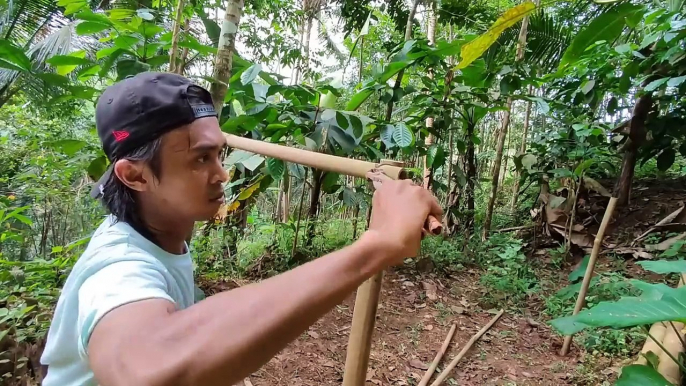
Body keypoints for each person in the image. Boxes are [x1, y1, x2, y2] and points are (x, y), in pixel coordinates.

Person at [40, 72, 442, 386]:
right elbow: (147, 369)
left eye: (219, 153)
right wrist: (375, 246)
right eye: (200, 160)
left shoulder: (161, 232)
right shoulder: (117, 267)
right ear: (135, 176)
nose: (222, 173)